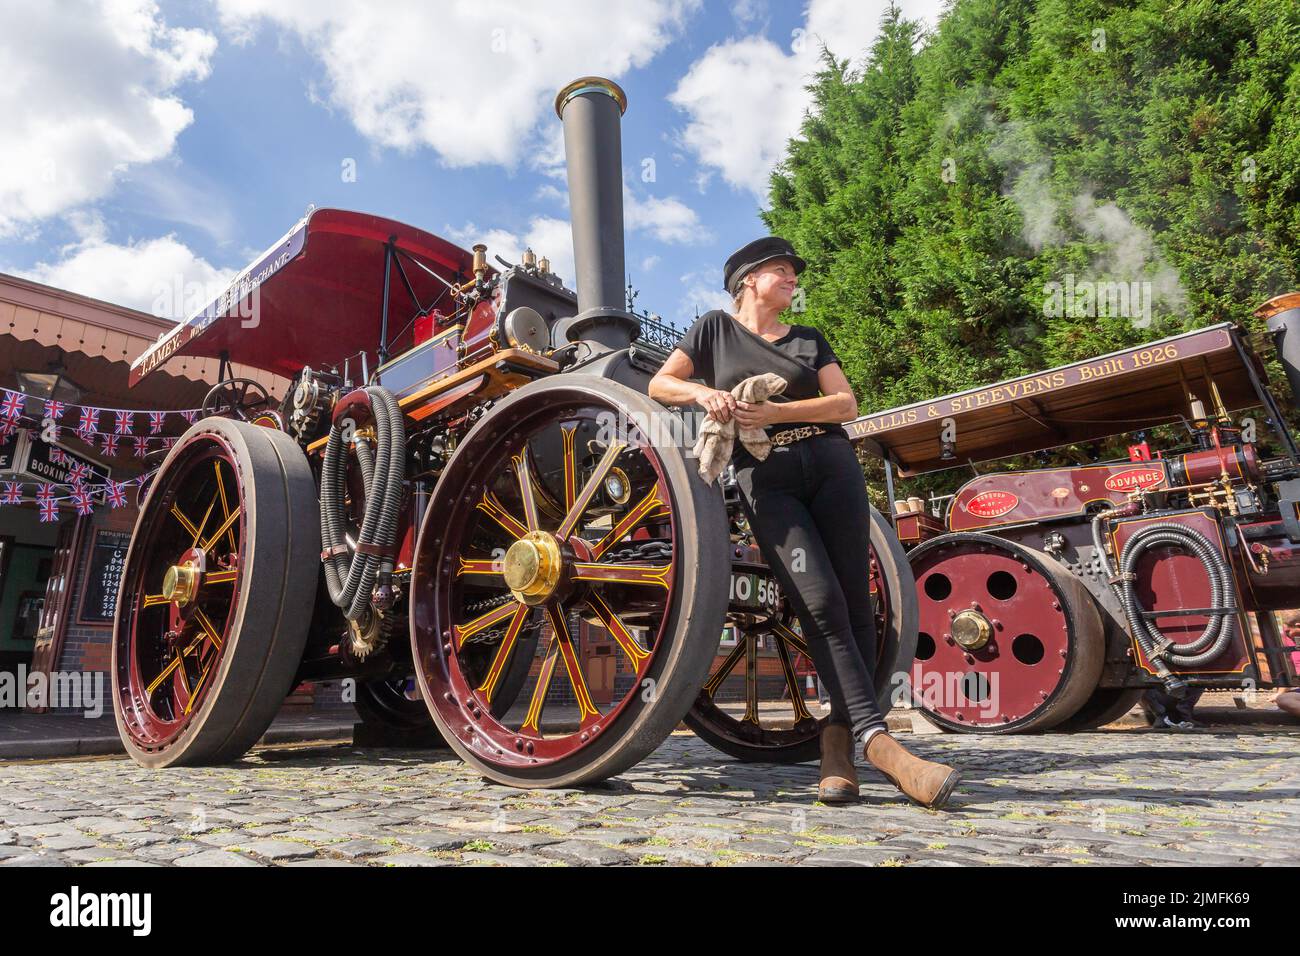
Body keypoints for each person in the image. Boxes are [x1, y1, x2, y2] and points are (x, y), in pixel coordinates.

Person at [648, 236, 960, 809]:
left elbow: (845, 405)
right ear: (747, 279)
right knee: (818, 602)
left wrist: (777, 412)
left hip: (832, 464)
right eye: (781, 270)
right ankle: (881, 744)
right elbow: (658, 384)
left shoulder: (809, 340)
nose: (792, 279)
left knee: (854, 604)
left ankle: (839, 748)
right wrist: (705, 394)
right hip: (767, 477)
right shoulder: (713, 329)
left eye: (793, 272)